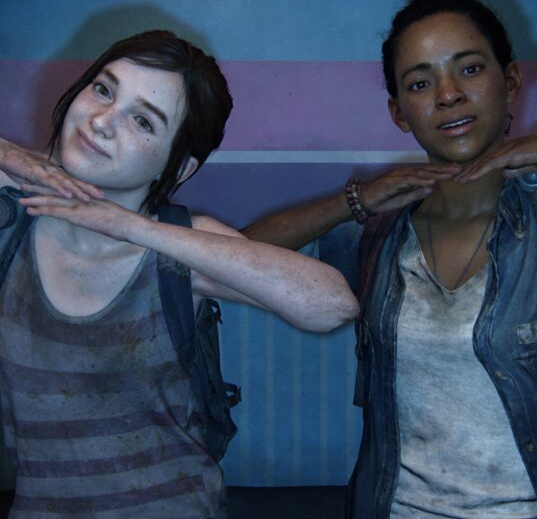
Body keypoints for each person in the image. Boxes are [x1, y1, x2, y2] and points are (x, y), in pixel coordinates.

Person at [243, 0, 537, 518]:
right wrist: (355, 201)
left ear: (510, 81)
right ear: (399, 113)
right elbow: (236, 257)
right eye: (419, 83)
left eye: (470, 69)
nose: (449, 95)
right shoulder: (379, 232)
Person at [0, 30, 359, 519]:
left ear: (180, 167)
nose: (102, 121)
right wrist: (12, 156)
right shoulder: (15, 219)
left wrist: (134, 227)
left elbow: (332, 304)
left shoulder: (181, 247)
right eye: (103, 89)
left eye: (143, 121)